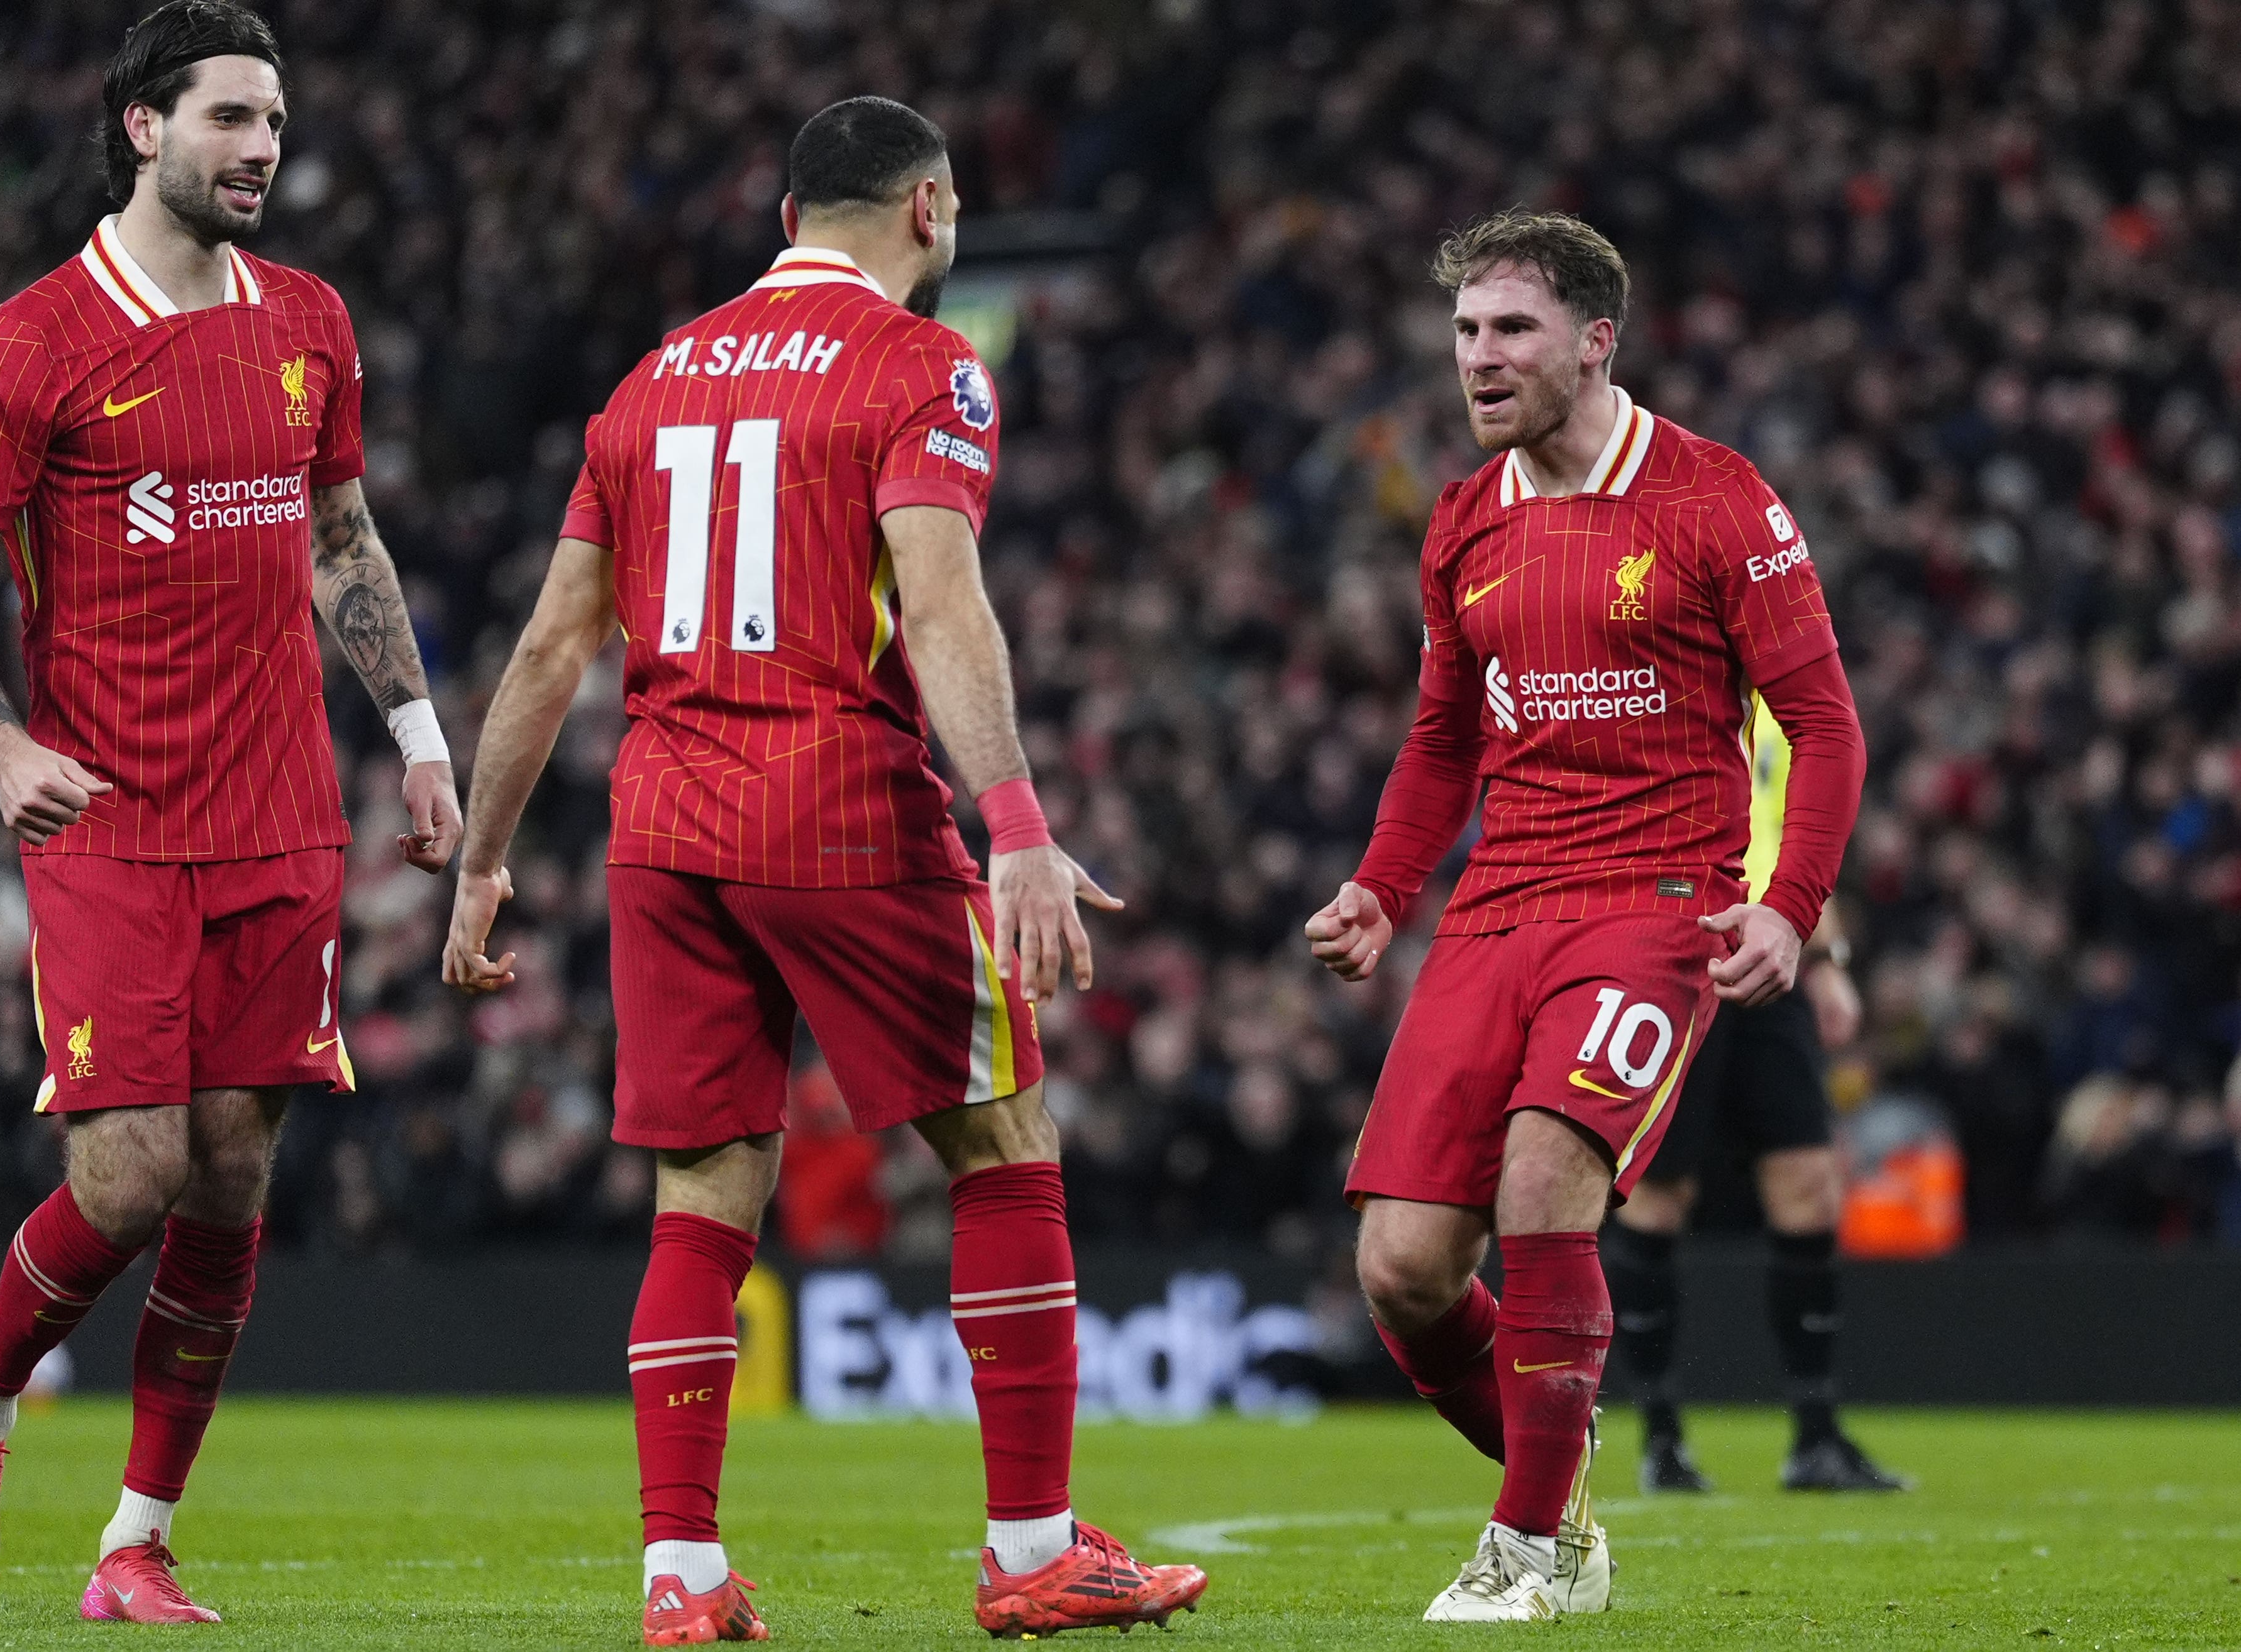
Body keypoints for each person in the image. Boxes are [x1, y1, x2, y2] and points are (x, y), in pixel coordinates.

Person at [441, 97, 1209, 1646]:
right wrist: (1017, 824)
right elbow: (939, 605)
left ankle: (683, 1577)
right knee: (1004, 1142)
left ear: (789, 220)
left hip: (662, 822)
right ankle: (1036, 1548)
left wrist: (481, 864)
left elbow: (548, 644)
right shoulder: (924, 365)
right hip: (836, 804)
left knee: (702, 1197)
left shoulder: (648, 381)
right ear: (927, 208)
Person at [0, 1, 457, 1623]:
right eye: (230, 117)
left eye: (274, 120)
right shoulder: (33, 344)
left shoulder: (309, 321)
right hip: (110, 819)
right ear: (142, 126)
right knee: (129, 1175)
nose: (263, 147)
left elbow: (343, 542)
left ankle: (135, 1539)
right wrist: (4, 751)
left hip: (280, 818)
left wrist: (417, 735)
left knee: (229, 1179)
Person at [1303, 209, 1866, 1622]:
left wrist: (1788, 907)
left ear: (1594, 341)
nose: (1478, 360)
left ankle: (1529, 1546)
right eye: (1466, 334)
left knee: (1543, 1187)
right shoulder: (1460, 521)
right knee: (1404, 1270)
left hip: (1658, 901)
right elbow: (1443, 739)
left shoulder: (1717, 498)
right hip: (1499, 908)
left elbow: (1825, 725)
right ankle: (1564, 1480)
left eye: (1511, 332)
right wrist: (1382, 886)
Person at [1605, 698, 1909, 1493]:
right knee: (1659, 1197)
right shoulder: (1670, 679)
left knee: (1809, 1186)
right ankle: (1660, 1439)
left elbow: (1799, 839)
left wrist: (1831, 958)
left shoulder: (1784, 708)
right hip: (1677, 948)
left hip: (1775, 954)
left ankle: (1815, 1438)